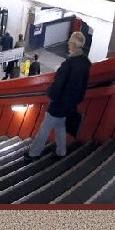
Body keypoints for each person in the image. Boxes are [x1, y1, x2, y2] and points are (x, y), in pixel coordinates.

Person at [24, 32, 91, 162]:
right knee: (60, 125)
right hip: (71, 103)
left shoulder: (69, 64)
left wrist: (50, 95)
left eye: (70, 43)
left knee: (45, 128)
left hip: (60, 102)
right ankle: (61, 151)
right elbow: (84, 84)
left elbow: (58, 84)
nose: (68, 44)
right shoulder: (85, 63)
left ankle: (34, 153)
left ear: (75, 45)